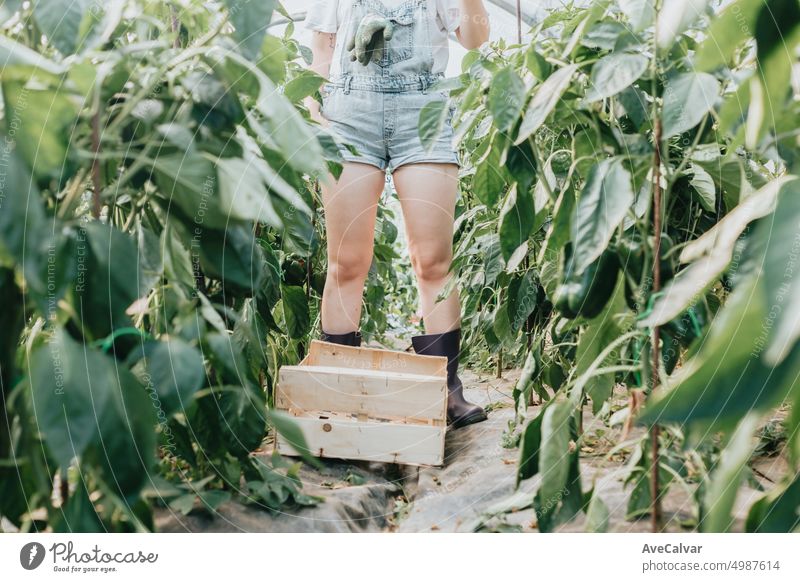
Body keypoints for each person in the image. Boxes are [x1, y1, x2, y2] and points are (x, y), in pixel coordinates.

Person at [305, 0, 490, 429]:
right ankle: (342, 387)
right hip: (349, 116)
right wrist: (314, 116)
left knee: (433, 261)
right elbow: (321, 51)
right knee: (346, 262)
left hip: (425, 111)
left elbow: (476, 39)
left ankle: (446, 390)